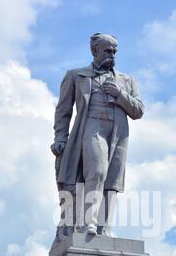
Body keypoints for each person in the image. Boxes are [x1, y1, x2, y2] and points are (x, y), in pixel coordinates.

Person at [51, 33, 144, 238]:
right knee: (98, 170)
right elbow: (63, 110)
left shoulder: (126, 80)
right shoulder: (76, 75)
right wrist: (60, 137)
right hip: (91, 127)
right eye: (107, 51)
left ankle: (104, 229)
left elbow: (138, 111)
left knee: (112, 181)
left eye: (114, 51)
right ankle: (88, 223)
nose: (112, 55)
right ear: (95, 51)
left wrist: (120, 95)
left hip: (118, 134)